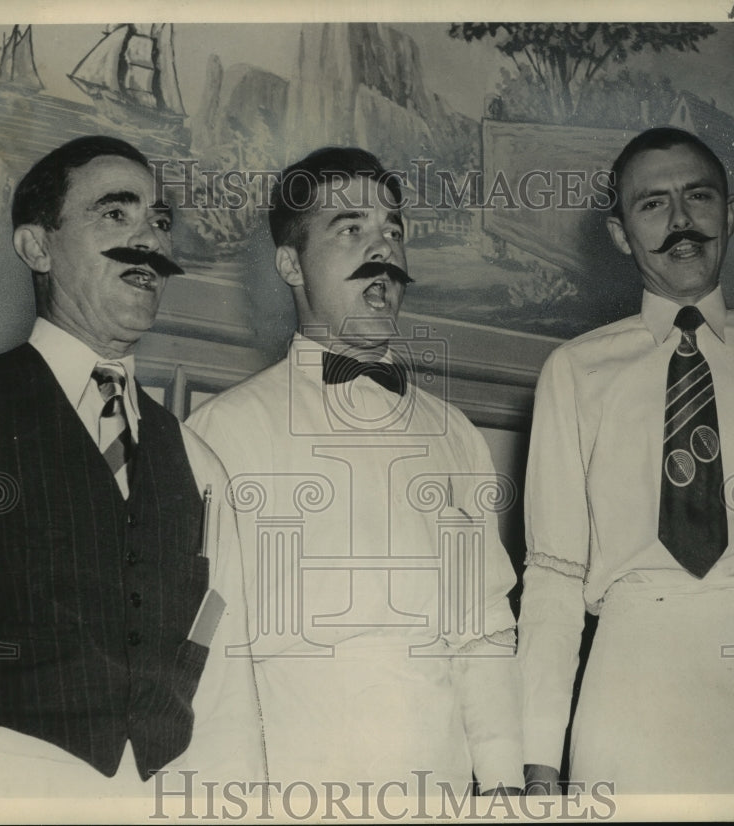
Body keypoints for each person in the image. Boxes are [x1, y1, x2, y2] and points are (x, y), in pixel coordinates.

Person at [0, 135, 265, 797]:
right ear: (37, 247)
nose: (146, 240)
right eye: (115, 215)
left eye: (157, 222)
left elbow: (226, 700)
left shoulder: (200, 464)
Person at [517, 126, 734, 794]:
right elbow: (553, 580)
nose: (680, 222)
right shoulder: (574, 372)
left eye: (698, 198)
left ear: (729, 214)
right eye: (652, 205)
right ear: (620, 234)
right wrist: (537, 760)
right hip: (633, 690)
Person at [186, 146, 524, 796]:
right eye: (351, 229)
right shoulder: (221, 436)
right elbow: (206, 658)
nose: (383, 254)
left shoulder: (455, 436)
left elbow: (483, 635)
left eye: (392, 231)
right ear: (289, 262)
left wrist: (507, 787)